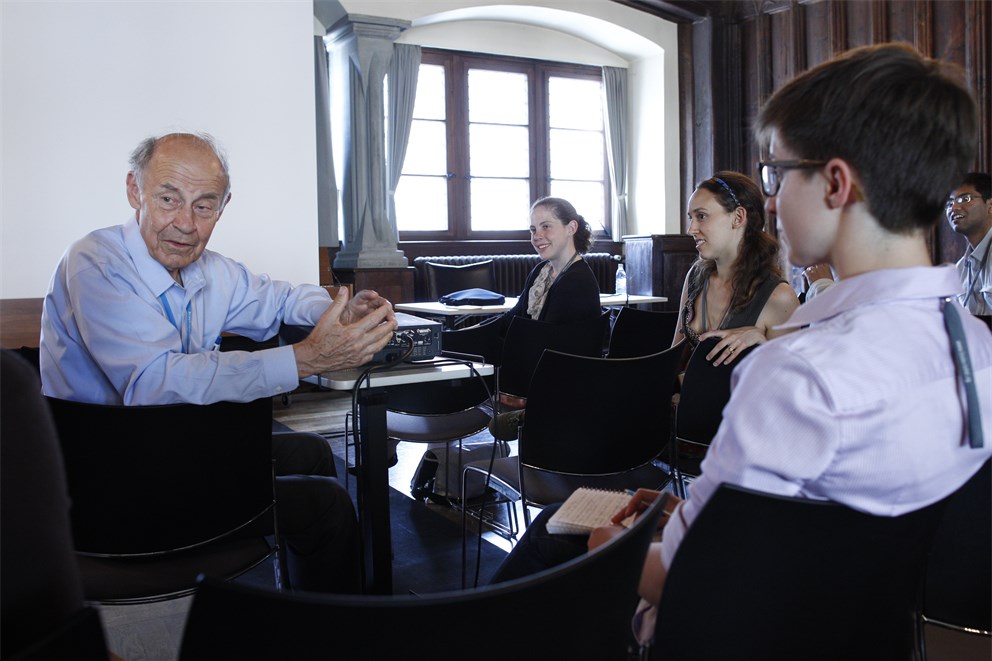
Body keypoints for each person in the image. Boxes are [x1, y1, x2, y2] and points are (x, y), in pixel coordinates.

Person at [492, 43, 992, 649]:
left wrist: (609, 545)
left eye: (777, 174)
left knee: (556, 534)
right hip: (860, 629)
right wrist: (698, 510)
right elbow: (837, 526)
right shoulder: (973, 345)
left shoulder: (798, 374)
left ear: (835, 183)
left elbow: (683, 579)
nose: (772, 201)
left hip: (727, 633)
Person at [39, 132, 399, 593]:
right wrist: (305, 359)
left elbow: (283, 298)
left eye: (204, 206)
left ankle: (304, 606)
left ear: (223, 206)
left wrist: (336, 310)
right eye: (169, 199)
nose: (185, 223)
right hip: (111, 477)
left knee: (311, 451)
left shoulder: (212, 270)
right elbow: (154, 383)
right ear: (135, 190)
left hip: (175, 448)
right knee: (326, 505)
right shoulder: (94, 261)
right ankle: (327, 622)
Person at [672, 171, 799, 367]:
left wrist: (764, 345)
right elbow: (674, 361)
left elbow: (789, 385)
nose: (691, 229)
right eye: (691, 217)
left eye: (702, 216)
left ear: (738, 217)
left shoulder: (779, 297)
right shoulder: (696, 277)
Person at [485, 196, 602, 335]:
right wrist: (472, 331)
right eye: (533, 229)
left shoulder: (577, 280)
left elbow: (543, 337)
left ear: (571, 228)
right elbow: (513, 317)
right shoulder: (540, 270)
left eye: (545, 226)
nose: (536, 236)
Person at [946, 171, 992, 315]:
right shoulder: (960, 268)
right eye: (949, 203)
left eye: (964, 199)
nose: (954, 208)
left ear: (990, 205)